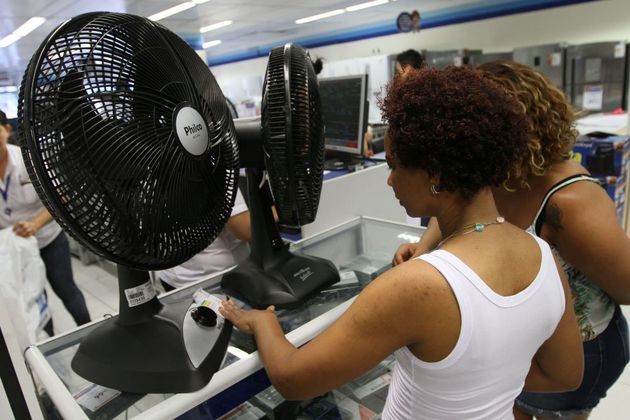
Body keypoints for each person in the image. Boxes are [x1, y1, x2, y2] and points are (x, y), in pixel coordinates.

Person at [220, 67, 584, 419]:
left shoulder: (416, 286)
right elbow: (565, 375)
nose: (389, 180)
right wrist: (479, 384)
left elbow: (293, 379)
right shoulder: (543, 255)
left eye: (394, 165)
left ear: (436, 175)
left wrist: (263, 323)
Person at [394, 61, 630, 419]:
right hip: (523, 343)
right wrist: (424, 247)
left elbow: (626, 286)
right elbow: (464, 205)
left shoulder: (570, 205)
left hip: (580, 351)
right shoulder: (498, 176)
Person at [0, 110, 91, 332]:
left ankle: (90, 331)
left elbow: (61, 197)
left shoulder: (27, 161)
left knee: (66, 290)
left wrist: (34, 225)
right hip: (15, 248)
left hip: (48, 239)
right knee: (33, 299)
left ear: (7, 130)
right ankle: (46, 347)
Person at [157, 187, 251, 291]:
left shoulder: (148, 176)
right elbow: (246, 230)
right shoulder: (217, 173)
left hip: (174, 278)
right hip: (219, 280)